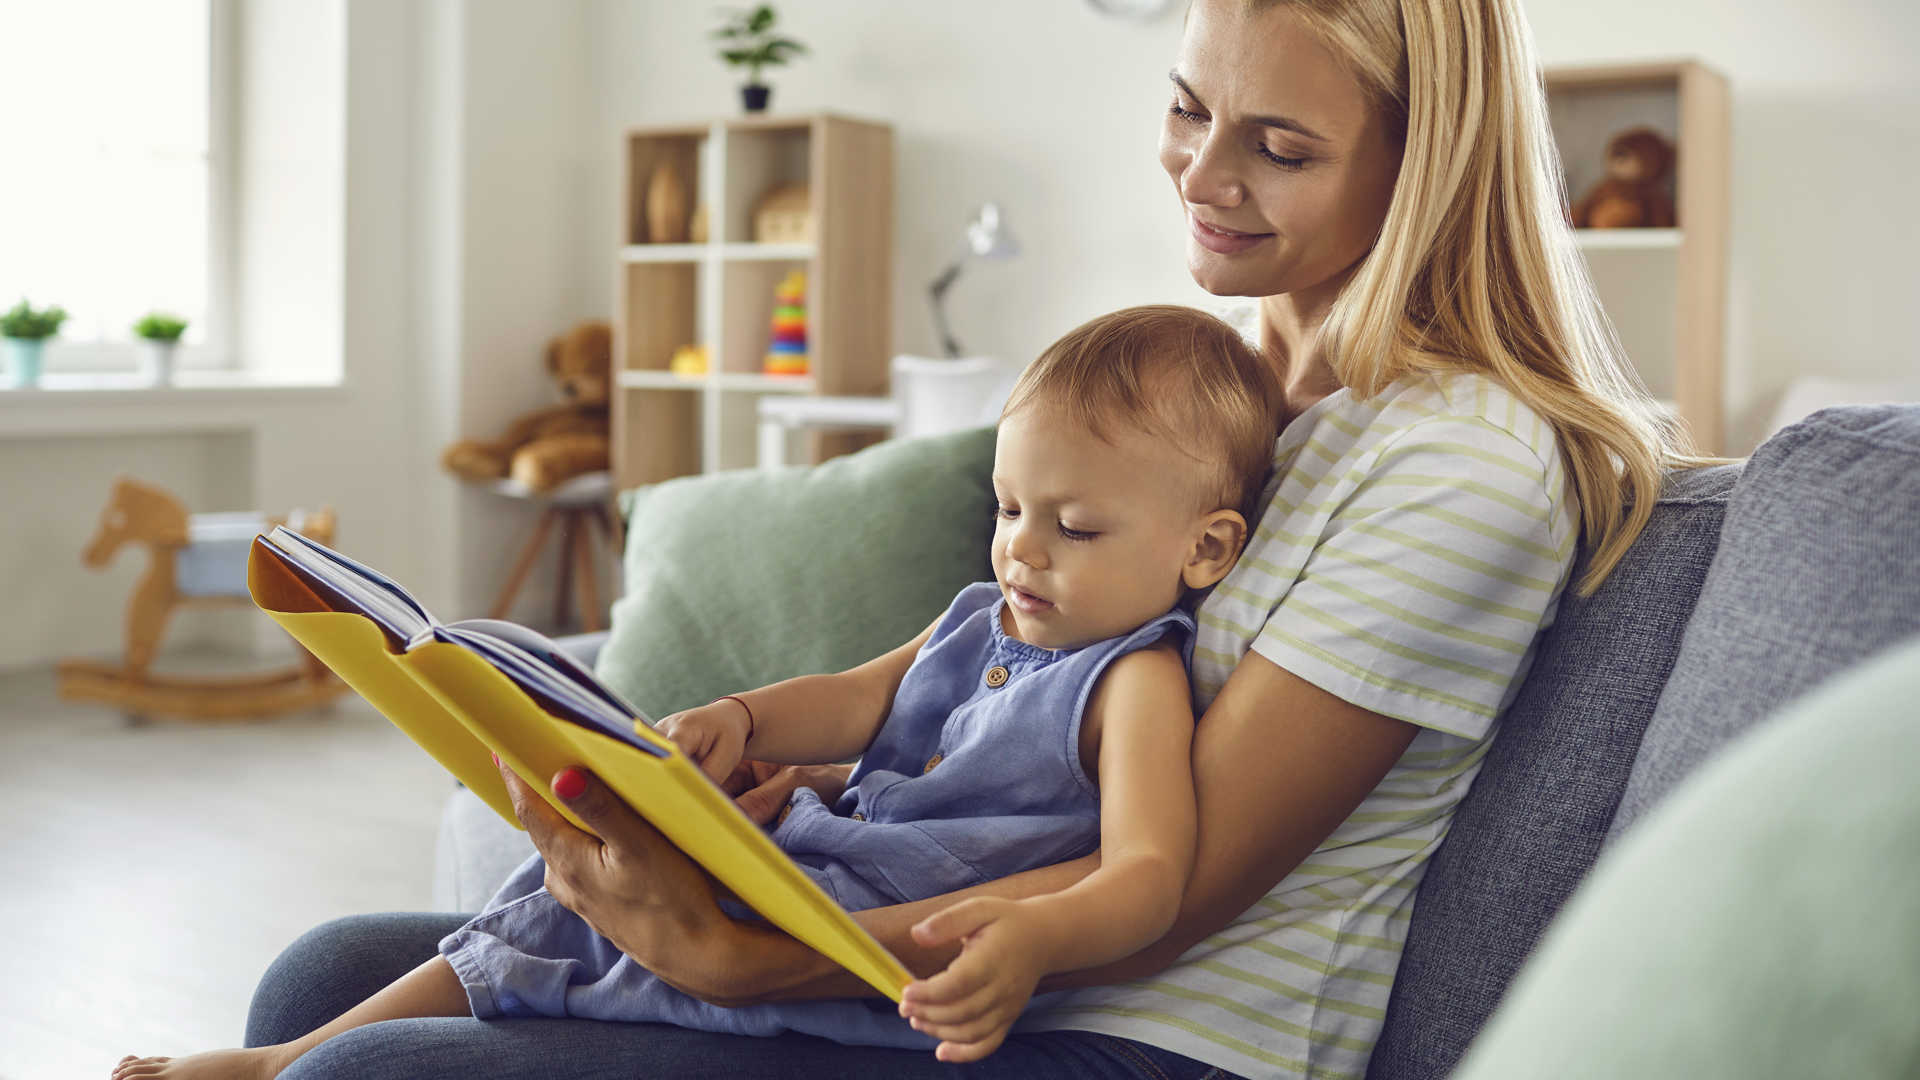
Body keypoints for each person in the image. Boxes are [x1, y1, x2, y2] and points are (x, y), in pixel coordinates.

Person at [205, 1, 1694, 1077]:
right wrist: (751, 784)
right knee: (317, 977)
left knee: (362, 1074)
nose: (1200, 174)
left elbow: (1175, 894)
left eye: (1278, 147)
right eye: (1186, 107)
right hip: (931, 981)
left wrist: (750, 953)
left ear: (1420, 162)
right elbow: (963, 673)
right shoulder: (1217, 403)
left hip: (1134, 1038)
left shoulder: (1460, 461)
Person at [111, 305, 1287, 1079]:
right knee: (576, 869)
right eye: (1009, 509)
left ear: (1206, 549)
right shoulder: (982, 613)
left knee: (598, 926)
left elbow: (1146, 874)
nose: (1023, 551)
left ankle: (300, 1061)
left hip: (876, 950)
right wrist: (741, 720)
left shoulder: (1130, 680)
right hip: (823, 870)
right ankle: (306, 1047)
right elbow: (858, 696)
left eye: (1075, 527)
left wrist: (1028, 937)